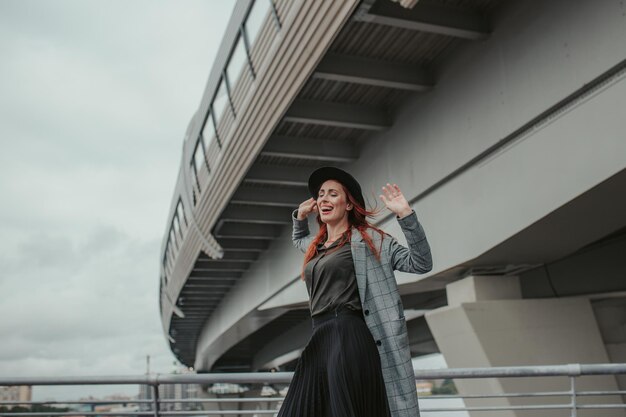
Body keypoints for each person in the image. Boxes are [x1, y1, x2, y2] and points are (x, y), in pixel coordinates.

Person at [277, 166, 432, 417]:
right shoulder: (319, 246)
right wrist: (299, 218)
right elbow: (300, 240)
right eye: (321, 194)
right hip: (320, 338)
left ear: (349, 204)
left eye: (333, 194)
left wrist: (406, 215)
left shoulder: (370, 241)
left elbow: (421, 263)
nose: (324, 198)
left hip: (348, 335)